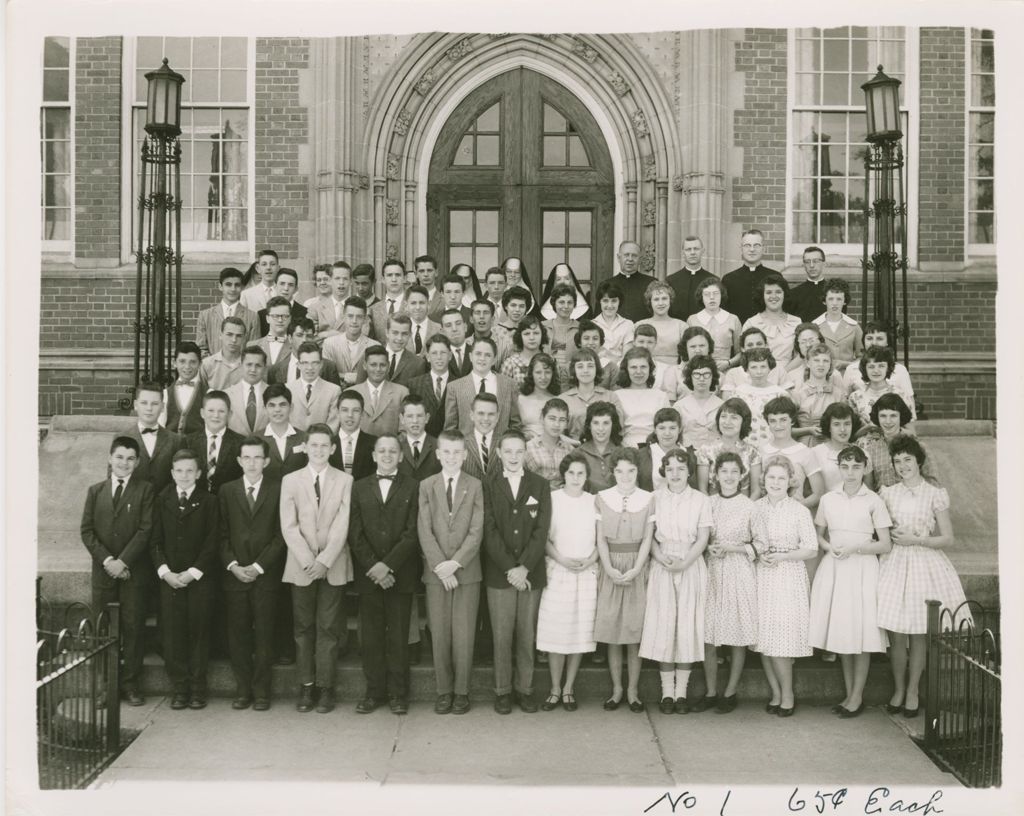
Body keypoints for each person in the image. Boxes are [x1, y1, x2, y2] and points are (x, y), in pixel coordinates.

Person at [878, 434, 972, 719]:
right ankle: (898, 688)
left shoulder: (934, 493)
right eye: (898, 461)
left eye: (908, 460)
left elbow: (948, 538)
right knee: (896, 634)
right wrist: (895, 539)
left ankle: (913, 691)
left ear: (918, 461)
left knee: (918, 632)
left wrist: (916, 540)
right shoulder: (888, 493)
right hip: (894, 563)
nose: (903, 465)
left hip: (923, 562)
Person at [810, 445, 892, 718]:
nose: (850, 472)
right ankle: (848, 694)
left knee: (862, 632)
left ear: (865, 467)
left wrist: (856, 548)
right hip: (835, 568)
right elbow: (819, 535)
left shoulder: (874, 501)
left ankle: (857, 697)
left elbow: (885, 544)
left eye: (856, 466)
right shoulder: (829, 499)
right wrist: (828, 546)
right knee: (843, 633)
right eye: (845, 466)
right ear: (839, 468)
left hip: (862, 570)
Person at [280, 423, 354, 713]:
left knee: (328, 627)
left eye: (325, 446)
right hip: (301, 566)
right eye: (314, 445)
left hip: (332, 565)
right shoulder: (291, 480)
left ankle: (326, 687)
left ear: (333, 449)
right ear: (305, 448)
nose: (319, 450)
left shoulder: (345, 480)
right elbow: (289, 525)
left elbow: (343, 523)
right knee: (303, 627)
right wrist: (309, 560)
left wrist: (324, 560)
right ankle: (306, 685)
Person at [349, 435, 422, 716]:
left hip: (399, 575)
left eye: (393, 451)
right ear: (374, 455)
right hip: (369, 576)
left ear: (401, 456)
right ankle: (373, 692)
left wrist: (388, 566)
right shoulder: (359, 487)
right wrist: (374, 567)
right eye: (382, 451)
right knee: (371, 638)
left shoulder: (413, 487)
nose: (388, 455)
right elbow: (355, 533)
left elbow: (412, 531)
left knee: (398, 637)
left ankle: (398, 694)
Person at [80, 435, 154, 706]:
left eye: (130, 458)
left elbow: (146, 530)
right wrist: (108, 561)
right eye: (120, 457)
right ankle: (105, 686)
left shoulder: (145, 490)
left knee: (133, 628)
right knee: (103, 629)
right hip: (104, 574)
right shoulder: (95, 491)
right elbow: (87, 531)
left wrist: (123, 562)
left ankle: (130, 684)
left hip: (133, 573)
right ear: (110, 459)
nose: (124, 463)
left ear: (137, 463)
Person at [482, 430, 552, 714]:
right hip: (500, 574)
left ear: (526, 453)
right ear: (498, 454)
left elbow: (541, 529)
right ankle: (502, 690)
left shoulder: (540, 485)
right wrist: (510, 568)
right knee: (501, 634)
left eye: (518, 451)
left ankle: (524, 688)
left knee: (526, 633)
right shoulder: (487, 484)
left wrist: (524, 566)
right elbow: (489, 530)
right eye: (507, 451)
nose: (513, 457)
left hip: (530, 573)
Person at [417, 430, 485, 715]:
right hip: (436, 574)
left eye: (457, 452)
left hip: (466, 572)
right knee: (441, 633)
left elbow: (476, 529)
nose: (452, 457)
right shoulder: (427, 485)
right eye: (446, 452)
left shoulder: (475, 485)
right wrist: (440, 567)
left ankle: (462, 691)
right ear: (437, 454)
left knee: (464, 634)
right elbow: (424, 528)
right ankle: (443, 690)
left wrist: (455, 563)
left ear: (466, 454)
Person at [640, 447, 712, 714]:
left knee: (686, 627)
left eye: (681, 468)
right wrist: (660, 557)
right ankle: (666, 694)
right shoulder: (654, 498)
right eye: (670, 468)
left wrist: (686, 561)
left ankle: (681, 694)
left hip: (690, 563)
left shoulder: (700, 500)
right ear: (663, 471)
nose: (675, 473)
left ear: (689, 471)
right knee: (665, 626)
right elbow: (649, 537)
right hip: (663, 564)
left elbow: (703, 537)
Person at [219, 436, 286, 711]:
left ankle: (262, 690)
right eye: (246, 457)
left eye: (257, 457)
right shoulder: (227, 490)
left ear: (266, 461)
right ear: (239, 461)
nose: (252, 463)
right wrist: (233, 565)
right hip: (235, 575)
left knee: (265, 633)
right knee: (239, 634)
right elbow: (221, 534)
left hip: (265, 575)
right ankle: (243, 688)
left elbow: (280, 535)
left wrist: (259, 567)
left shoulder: (278, 488)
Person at [150, 448, 219, 710]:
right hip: (170, 579)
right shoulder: (161, 500)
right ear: (171, 473)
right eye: (179, 470)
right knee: (173, 634)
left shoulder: (209, 501)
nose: (184, 475)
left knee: (198, 633)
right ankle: (180, 687)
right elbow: (154, 541)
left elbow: (212, 542)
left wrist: (193, 573)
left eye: (190, 470)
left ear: (199, 473)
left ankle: (198, 688)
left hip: (199, 579)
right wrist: (165, 572)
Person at [751, 455, 818, 717]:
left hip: (788, 577)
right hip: (761, 575)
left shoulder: (799, 510)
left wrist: (783, 556)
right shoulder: (755, 508)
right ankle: (776, 693)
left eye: (781, 478)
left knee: (781, 640)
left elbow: (811, 549)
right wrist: (759, 554)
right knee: (763, 640)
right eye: (771, 477)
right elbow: (749, 541)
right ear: (763, 480)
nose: (776, 482)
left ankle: (788, 694)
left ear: (790, 481)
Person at [536, 454, 600, 712]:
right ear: (564, 475)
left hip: (585, 572)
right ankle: (554, 688)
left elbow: (600, 540)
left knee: (578, 633)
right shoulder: (552, 500)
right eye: (571, 473)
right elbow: (544, 539)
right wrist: (562, 559)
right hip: (558, 571)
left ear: (587, 476)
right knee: (557, 632)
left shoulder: (594, 502)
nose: (576, 478)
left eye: (581, 474)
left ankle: (569, 688)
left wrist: (589, 560)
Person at [594, 447, 654, 712]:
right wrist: (608, 568)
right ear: (613, 472)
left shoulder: (648, 498)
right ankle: (617, 688)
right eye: (620, 470)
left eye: (630, 470)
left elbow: (648, 539)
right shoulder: (602, 498)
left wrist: (637, 569)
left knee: (633, 632)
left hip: (636, 567)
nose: (625, 475)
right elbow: (600, 539)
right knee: (613, 631)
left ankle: (633, 690)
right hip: (611, 567)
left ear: (637, 471)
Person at [701, 452, 759, 713]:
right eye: (724, 471)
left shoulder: (749, 505)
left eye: (734, 471)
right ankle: (711, 691)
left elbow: (760, 544)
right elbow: (699, 537)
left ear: (742, 474)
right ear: (715, 474)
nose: (729, 476)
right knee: (709, 635)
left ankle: (731, 690)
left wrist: (733, 548)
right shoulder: (708, 503)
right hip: (712, 571)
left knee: (736, 634)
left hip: (738, 572)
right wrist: (708, 549)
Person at [856, 393, 935, 490]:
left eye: (893, 416)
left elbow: (932, 483)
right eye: (883, 416)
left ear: (901, 417)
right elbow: (869, 488)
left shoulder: (919, 446)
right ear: (877, 417)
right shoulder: (871, 449)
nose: (888, 421)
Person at [444, 336, 520, 437]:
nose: (482, 359)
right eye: (478, 354)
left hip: (499, 449)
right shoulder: (454, 387)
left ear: (494, 360)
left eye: (488, 355)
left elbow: (516, 424)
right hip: (467, 449)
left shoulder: (509, 384)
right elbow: (450, 429)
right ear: (470, 356)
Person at [759, 396, 825, 510]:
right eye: (773, 421)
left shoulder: (805, 452)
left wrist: (793, 509)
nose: (778, 425)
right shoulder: (762, 450)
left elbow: (818, 493)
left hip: (794, 516)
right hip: (766, 514)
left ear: (792, 421)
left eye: (783, 420)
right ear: (768, 423)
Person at [696, 398, 763, 499]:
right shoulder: (705, 451)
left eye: (734, 418)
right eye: (723, 416)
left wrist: (747, 511)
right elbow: (702, 489)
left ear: (744, 422)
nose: (727, 422)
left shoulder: (752, 453)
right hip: (712, 509)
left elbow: (756, 490)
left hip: (744, 509)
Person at [185, 390, 244, 495]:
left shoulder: (240, 443)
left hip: (228, 503)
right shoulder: (188, 441)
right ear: (202, 413)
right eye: (211, 410)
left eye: (221, 411)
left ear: (229, 414)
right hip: (197, 504)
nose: (216, 415)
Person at [561, 348, 623, 440]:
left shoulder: (611, 397)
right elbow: (559, 434)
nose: (585, 370)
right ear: (574, 370)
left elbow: (619, 430)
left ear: (597, 369)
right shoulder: (563, 400)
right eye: (580, 366)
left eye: (590, 366)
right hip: (572, 449)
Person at [742, 273, 802, 369]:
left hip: (789, 372)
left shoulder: (796, 322)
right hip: (758, 373)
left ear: (784, 294)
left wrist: (783, 374)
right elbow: (745, 357)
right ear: (762, 296)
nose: (773, 296)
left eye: (778, 292)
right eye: (769, 292)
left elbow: (801, 355)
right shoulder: (751, 323)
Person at [196, 267, 259, 357]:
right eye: (228, 285)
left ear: (242, 288)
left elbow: (253, 350)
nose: (233, 289)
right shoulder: (205, 315)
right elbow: (201, 348)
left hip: (241, 368)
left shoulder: (253, 317)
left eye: (237, 285)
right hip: (214, 368)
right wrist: (214, 365)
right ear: (220, 286)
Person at [842, 321, 915, 399]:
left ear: (887, 342)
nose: (874, 342)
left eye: (879, 338)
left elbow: (909, 403)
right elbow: (845, 401)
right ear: (864, 341)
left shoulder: (900, 370)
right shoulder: (851, 369)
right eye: (869, 338)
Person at [790, 343, 843, 446]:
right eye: (816, 360)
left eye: (825, 361)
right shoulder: (797, 394)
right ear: (808, 363)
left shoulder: (838, 394)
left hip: (832, 444)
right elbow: (787, 429)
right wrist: (808, 430)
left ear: (830, 365)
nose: (821, 364)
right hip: (806, 445)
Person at [848, 345, 916, 426]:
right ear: (865, 369)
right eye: (871, 367)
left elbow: (910, 431)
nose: (876, 371)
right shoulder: (855, 397)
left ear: (888, 368)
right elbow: (852, 433)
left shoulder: (900, 395)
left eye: (881, 366)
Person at [733, 347, 788, 446]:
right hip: (744, 445)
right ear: (746, 369)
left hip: (771, 445)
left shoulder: (779, 394)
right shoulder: (739, 392)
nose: (759, 372)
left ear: (769, 368)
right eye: (753, 367)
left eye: (763, 366)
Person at [616, 347, 670, 447]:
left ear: (650, 369)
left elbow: (666, 427)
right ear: (626, 370)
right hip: (625, 448)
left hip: (655, 446)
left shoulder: (661, 396)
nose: (639, 371)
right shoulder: (617, 395)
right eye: (633, 367)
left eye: (643, 367)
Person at [352, 344, 409, 437]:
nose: (378, 369)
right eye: (373, 365)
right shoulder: (352, 393)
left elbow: (405, 430)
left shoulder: (402, 393)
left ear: (388, 366)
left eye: (382, 365)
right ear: (365, 366)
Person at [722, 229, 776, 325]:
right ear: (741, 249)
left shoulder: (775, 277)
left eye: (756, 245)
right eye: (747, 245)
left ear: (763, 249)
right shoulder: (728, 279)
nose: (752, 249)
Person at [687, 277, 741, 373]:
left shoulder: (733, 319)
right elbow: (686, 351)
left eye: (716, 294)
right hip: (698, 371)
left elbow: (741, 353)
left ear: (721, 295)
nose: (712, 297)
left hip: (725, 370)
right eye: (707, 294)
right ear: (701, 297)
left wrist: (728, 363)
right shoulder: (692, 320)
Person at [287, 342, 342, 433]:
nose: (310, 367)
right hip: (294, 443)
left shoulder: (334, 390)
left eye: (315, 363)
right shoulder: (288, 389)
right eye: (305, 363)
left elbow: (333, 424)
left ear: (321, 365)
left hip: (320, 444)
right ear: (298, 365)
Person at [269, 317, 340, 387]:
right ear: (290, 338)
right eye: (299, 335)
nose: (304, 340)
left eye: (309, 336)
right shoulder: (275, 370)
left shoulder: (329, 367)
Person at [812, 403, 867, 493]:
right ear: (829, 427)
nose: (842, 429)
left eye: (847, 424)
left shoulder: (863, 453)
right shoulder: (815, 453)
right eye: (836, 424)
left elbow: (868, 491)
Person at [719, 326, 787, 398]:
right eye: (750, 345)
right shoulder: (733, 373)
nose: (755, 347)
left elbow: (790, 401)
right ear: (743, 349)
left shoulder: (779, 370)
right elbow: (727, 401)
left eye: (759, 344)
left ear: (766, 345)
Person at [674, 354, 723, 450]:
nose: (701, 379)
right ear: (690, 377)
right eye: (697, 374)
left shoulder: (722, 405)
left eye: (706, 374)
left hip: (715, 455)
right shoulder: (679, 406)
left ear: (712, 376)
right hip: (687, 457)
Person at [813, 279, 863, 372]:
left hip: (847, 376)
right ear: (824, 301)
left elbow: (862, 358)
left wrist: (847, 364)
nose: (835, 303)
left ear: (845, 301)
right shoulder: (815, 326)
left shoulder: (854, 327)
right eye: (831, 299)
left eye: (839, 299)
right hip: (822, 376)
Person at [524, 398, 575, 490]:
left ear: (567, 423)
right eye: (552, 418)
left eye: (562, 420)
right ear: (542, 419)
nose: (556, 424)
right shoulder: (527, 448)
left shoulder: (570, 451)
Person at [408, 334, 452, 439]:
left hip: (451, 442)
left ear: (450, 356)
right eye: (434, 353)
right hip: (424, 442)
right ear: (428, 357)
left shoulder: (459, 383)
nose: (439, 357)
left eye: (443, 353)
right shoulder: (414, 384)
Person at [322, 296, 373, 386]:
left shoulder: (374, 345)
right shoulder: (329, 343)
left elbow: (375, 376)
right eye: (350, 316)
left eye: (359, 317)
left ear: (365, 319)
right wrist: (347, 376)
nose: (354, 321)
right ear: (343, 317)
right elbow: (326, 374)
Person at [636, 280, 687, 366]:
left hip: (673, 372)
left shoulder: (681, 326)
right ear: (650, 302)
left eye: (664, 298)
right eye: (656, 299)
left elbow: (685, 359)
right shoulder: (639, 325)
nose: (660, 303)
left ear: (670, 300)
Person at [160, 342, 206, 436]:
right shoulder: (166, 393)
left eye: (192, 362)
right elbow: (160, 426)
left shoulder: (208, 393)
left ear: (200, 364)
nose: (187, 367)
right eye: (182, 361)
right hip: (171, 447)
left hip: (197, 447)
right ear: (174, 363)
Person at [661, 326, 716, 403]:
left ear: (709, 347)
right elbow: (670, 405)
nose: (698, 350)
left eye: (702, 346)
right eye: (693, 346)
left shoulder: (718, 374)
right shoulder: (673, 372)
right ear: (685, 349)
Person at [372, 313, 428, 389]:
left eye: (404, 334)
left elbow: (416, 396)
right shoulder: (371, 356)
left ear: (410, 335)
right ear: (387, 333)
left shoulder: (418, 364)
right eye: (395, 333)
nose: (399, 338)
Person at [666, 235, 716, 320]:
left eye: (696, 249)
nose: (692, 252)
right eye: (688, 249)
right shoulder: (671, 280)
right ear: (683, 253)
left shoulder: (713, 280)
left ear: (702, 251)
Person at [637, 407, 685, 493]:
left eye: (672, 428)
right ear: (655, 430)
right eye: (662, 428)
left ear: (680, 429)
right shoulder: (642, 455)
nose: (667, 433)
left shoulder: (688, 453)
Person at [334, 389, 378, 481]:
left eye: (356, 410)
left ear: (362, 414)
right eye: (345, 410)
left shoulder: (375, 444)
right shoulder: (328, 443)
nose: (350, 415)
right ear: (337, 413)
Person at [225, 346, 270, 437]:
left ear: (265, 368)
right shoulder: (227, 394)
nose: (253, 370)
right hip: (235, 448)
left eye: (258, 365)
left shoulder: (272, 394)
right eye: (249, 364)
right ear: (241, 365)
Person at [541, 283, 582, 381]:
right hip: (544, 378)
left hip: (572, 379)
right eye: (561, 302)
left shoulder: (581, 328)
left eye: (570, 302)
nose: (566, 306)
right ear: (554, 303)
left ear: (574, 304)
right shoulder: (542, 327)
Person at [460, 393, 503, 482]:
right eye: (481, 413)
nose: (486, 418)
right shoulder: (460, 443)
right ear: (472, 415)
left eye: (491, 414)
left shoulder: (505, 442)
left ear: (497, 417)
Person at [397, 394, 441, 482]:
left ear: (427, 418)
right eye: (410, 416)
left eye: (419, 416)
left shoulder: (439, 446)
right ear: (402, 419)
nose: (415, 421)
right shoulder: (395, 446)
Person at [517, 353, 561, 440]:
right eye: (538, 372)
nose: (543, 377)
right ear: (531, 374)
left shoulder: (558, 400)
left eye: (547, 372)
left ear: (553, 374)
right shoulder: (520, 399)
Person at [591, 280, 635, 364]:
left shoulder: (628, 324)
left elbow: (627, 359)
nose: (610, 305)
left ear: (619, 302)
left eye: (614, 301)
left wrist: (608, 355)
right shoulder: (592, 324)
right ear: (600, 301)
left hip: (620, 371)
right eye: (605, 301)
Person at [610, 241, 655, 321]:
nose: (630, 259)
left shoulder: (652, 283)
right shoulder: (607, 284)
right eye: (626, 255)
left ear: (640, 259)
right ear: (618, 258)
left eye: (634, 256)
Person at [256, 268, 308, 337]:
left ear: (296, 289)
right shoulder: (262, 315)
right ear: (275, 286)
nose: (286, 288)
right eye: (282, 284)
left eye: (290, 285)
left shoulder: (305, 313)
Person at [200, 316, 248, 390]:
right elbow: (200, 395)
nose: (234, 340)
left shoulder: (250, 365)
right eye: (229, 334)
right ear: (220, 335)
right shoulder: (207, 365)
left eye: (239, 336)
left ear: (244, 338)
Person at [501, 315, 547, 390]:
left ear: (542, 335)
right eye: (527, 334)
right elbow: (503, 394)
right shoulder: (510, 363)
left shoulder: (551, 361)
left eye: (536, 333)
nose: (532, 338)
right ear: (520, 336)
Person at [368, 259, 409, 342]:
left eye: (398, 275)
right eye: (389, 275)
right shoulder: (373, 309)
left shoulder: (412, 306)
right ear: (383, 279)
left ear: (404, 278)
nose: (394, 279)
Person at [787, 246, 829, 323]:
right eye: (807, 262)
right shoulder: (794, 294)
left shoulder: (833, 293)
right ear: (804, 265)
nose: (811, 265)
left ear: (824, 264)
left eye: (816, 261)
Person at [467, 298, 512, 369]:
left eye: (486, 313)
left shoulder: (505, 346)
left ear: (492, 319)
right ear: (471, 319)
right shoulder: (466, 344)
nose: (481, 317)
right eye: (477, 313)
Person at [574, 320, 619, 388]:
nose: (591, 342)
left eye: (595, 339)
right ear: (579, 342)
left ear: (600, 342)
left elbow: (616, 394)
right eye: (586, 338)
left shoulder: (611, 367)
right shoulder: (570, 366)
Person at [257, 296, 298, 367]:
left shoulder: (296, 347)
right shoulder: (253, 345)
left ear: (290, 319)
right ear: (267, 318)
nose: (280, 320)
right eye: (275, 316)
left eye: (285, 316)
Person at [306, 262, 344, 337]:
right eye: (319, 280)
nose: (322, 283)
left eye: (326, 279)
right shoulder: (310, 304)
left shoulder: (343, 302)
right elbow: (310, 334)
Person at [406, 285, 441, 357]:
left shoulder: (439, 329)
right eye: (413, 303)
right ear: (406, 305)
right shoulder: (401, 329)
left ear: (429, 304)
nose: (418, 307)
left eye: (422, 303)